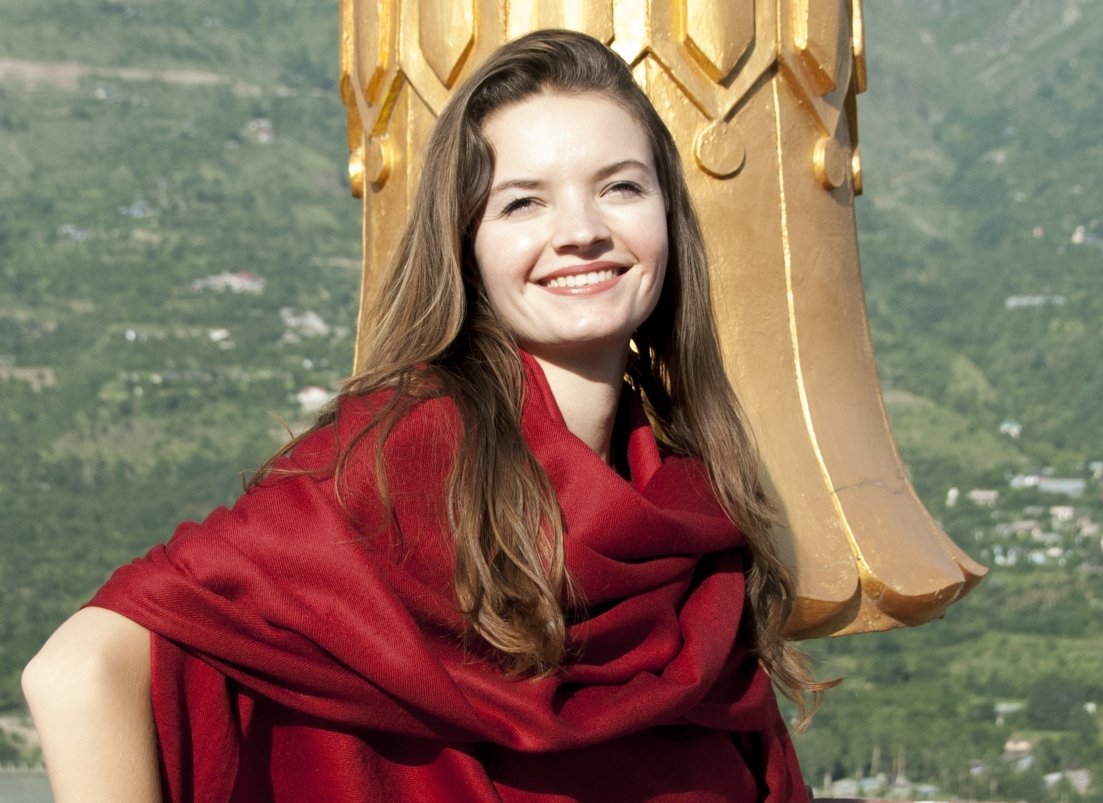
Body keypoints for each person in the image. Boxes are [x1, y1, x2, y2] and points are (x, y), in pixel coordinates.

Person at [23, 30, 826, 802]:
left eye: (621, 186)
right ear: (466, 242)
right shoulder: (398, 464)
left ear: (668, 219)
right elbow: (77, 670)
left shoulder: (697, 513)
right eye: (523, 203)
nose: (582, 232)